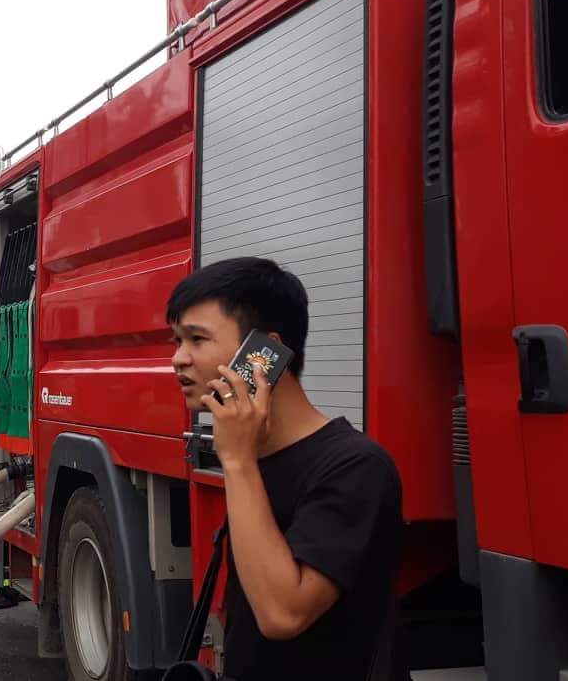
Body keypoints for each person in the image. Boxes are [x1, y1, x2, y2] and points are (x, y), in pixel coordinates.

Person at [168, 257, 402, 681]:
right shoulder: (259, 459)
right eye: (177, 340)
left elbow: (282, 614)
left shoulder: (356, 466)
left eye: (196, 339)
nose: (177, 359)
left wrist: (237, 462)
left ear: (262, 355)